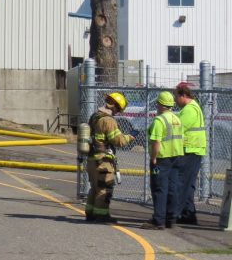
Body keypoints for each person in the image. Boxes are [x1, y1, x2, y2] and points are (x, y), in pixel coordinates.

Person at [85, 92, 135, 223]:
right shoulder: (109, 120)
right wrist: (129, 137)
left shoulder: (95, 116)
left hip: (91, 160)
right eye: (118, 110)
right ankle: (101, 215)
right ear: (115, 107)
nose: (118, 113)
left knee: (94, 188)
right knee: (104, 189)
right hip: (103, 161)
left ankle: (90, 213)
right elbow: (118, 140)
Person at [140, 91, 184, 230]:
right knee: (172, 188)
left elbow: (156, 143)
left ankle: (158, 220)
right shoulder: (176, 119)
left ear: (160, 105)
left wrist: (153, 158)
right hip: (176, 157)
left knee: (159, 188)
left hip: (162, 159)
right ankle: (171, 219)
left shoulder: (159, 121)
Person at [175, 83, 206, 225]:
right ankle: (188, 214)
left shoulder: (189, 110)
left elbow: (178, 128)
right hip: (194, 149)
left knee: (182, 183)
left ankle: (178, 213)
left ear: (183, 95)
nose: (175, 101)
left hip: (190, 150)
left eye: (176, 97)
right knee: (188, 183)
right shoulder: (193, 107)